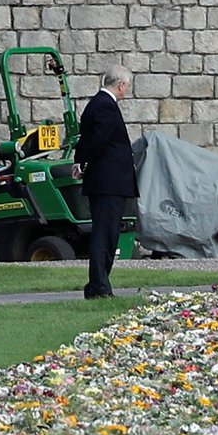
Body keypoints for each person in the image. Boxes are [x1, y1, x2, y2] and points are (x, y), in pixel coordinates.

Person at [73, 65, 138, 299]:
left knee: (107, 233)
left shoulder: (97, 104)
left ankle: (98, 285)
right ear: (121, 85)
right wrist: (84, 165)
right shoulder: (105, 107)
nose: (127, 91)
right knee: (105, 234)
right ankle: (99, 286)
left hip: (106, 182)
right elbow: (96, 142)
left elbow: (86, 140)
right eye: (127, 86)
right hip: (109, 183)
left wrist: (80, 163)